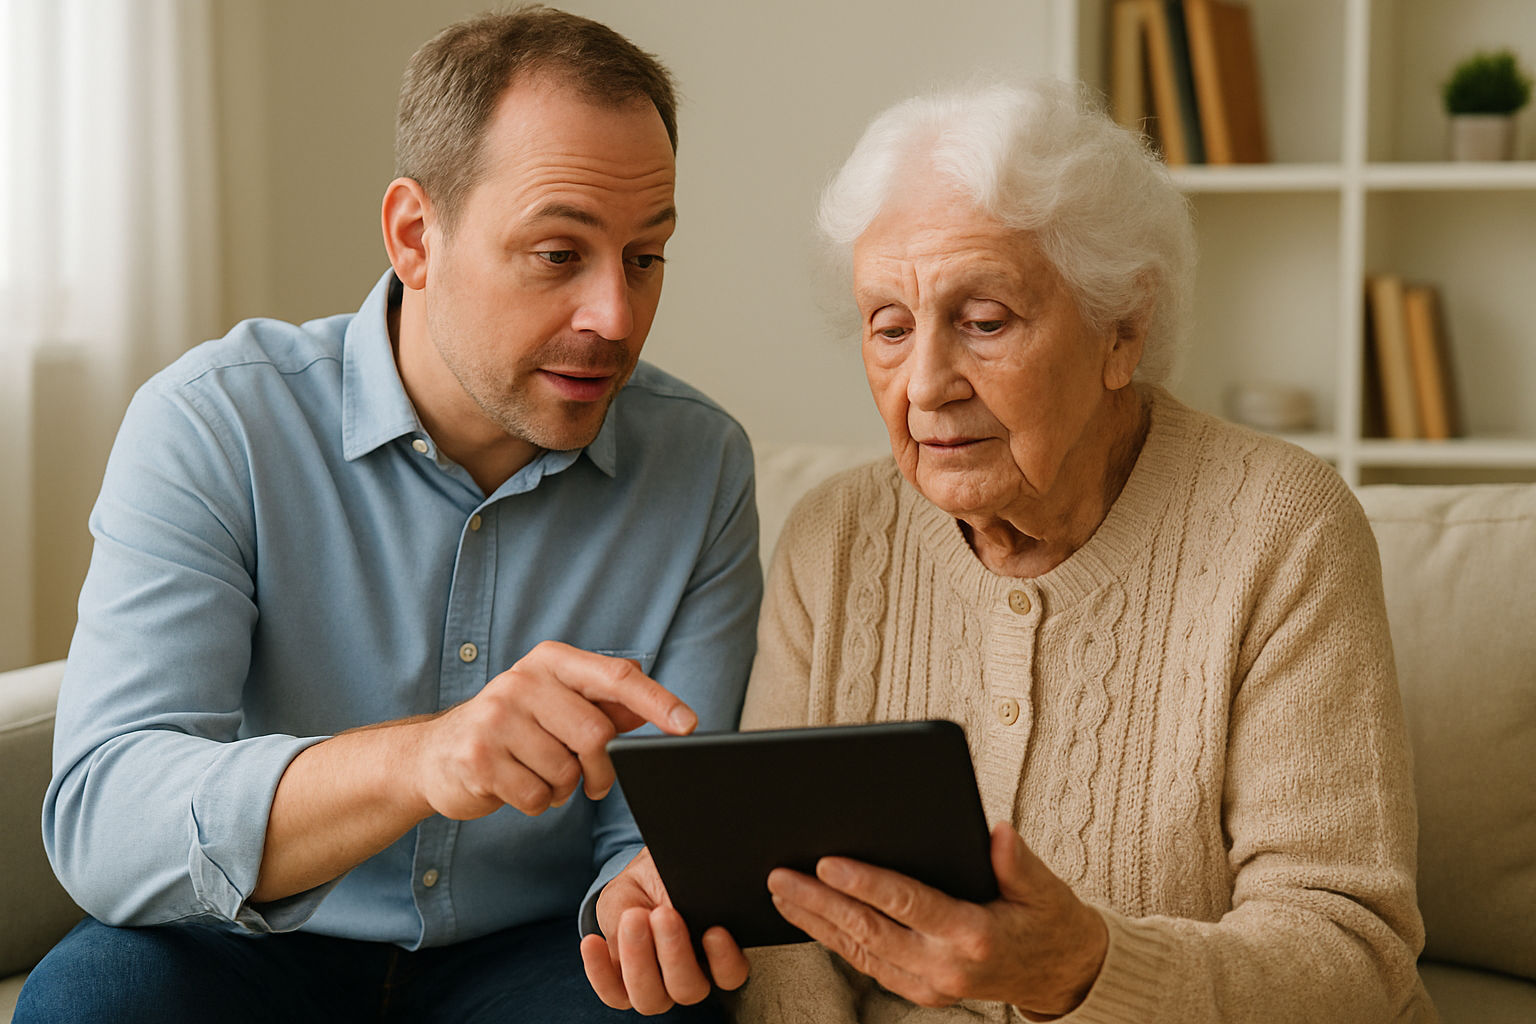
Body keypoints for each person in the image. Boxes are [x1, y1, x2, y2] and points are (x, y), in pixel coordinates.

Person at [16, 7, 759, 1023]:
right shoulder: (217, 422)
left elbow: (654, 829)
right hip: (239, 943)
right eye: (557, 254)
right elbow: (106, 819)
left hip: (534, 956)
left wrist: (648, 892)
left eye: (644, 257)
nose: (613, 319)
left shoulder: (702, 465)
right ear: (416, 235)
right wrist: (422, 757)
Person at [721, 80, 1436, 1021]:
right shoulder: (835, 542)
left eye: (985, 321)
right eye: (889, 327)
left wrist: (1085, 970)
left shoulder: (1281, 529)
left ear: (1121, 330)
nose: (926, 384)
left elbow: (1351, 952)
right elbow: (784, 928)